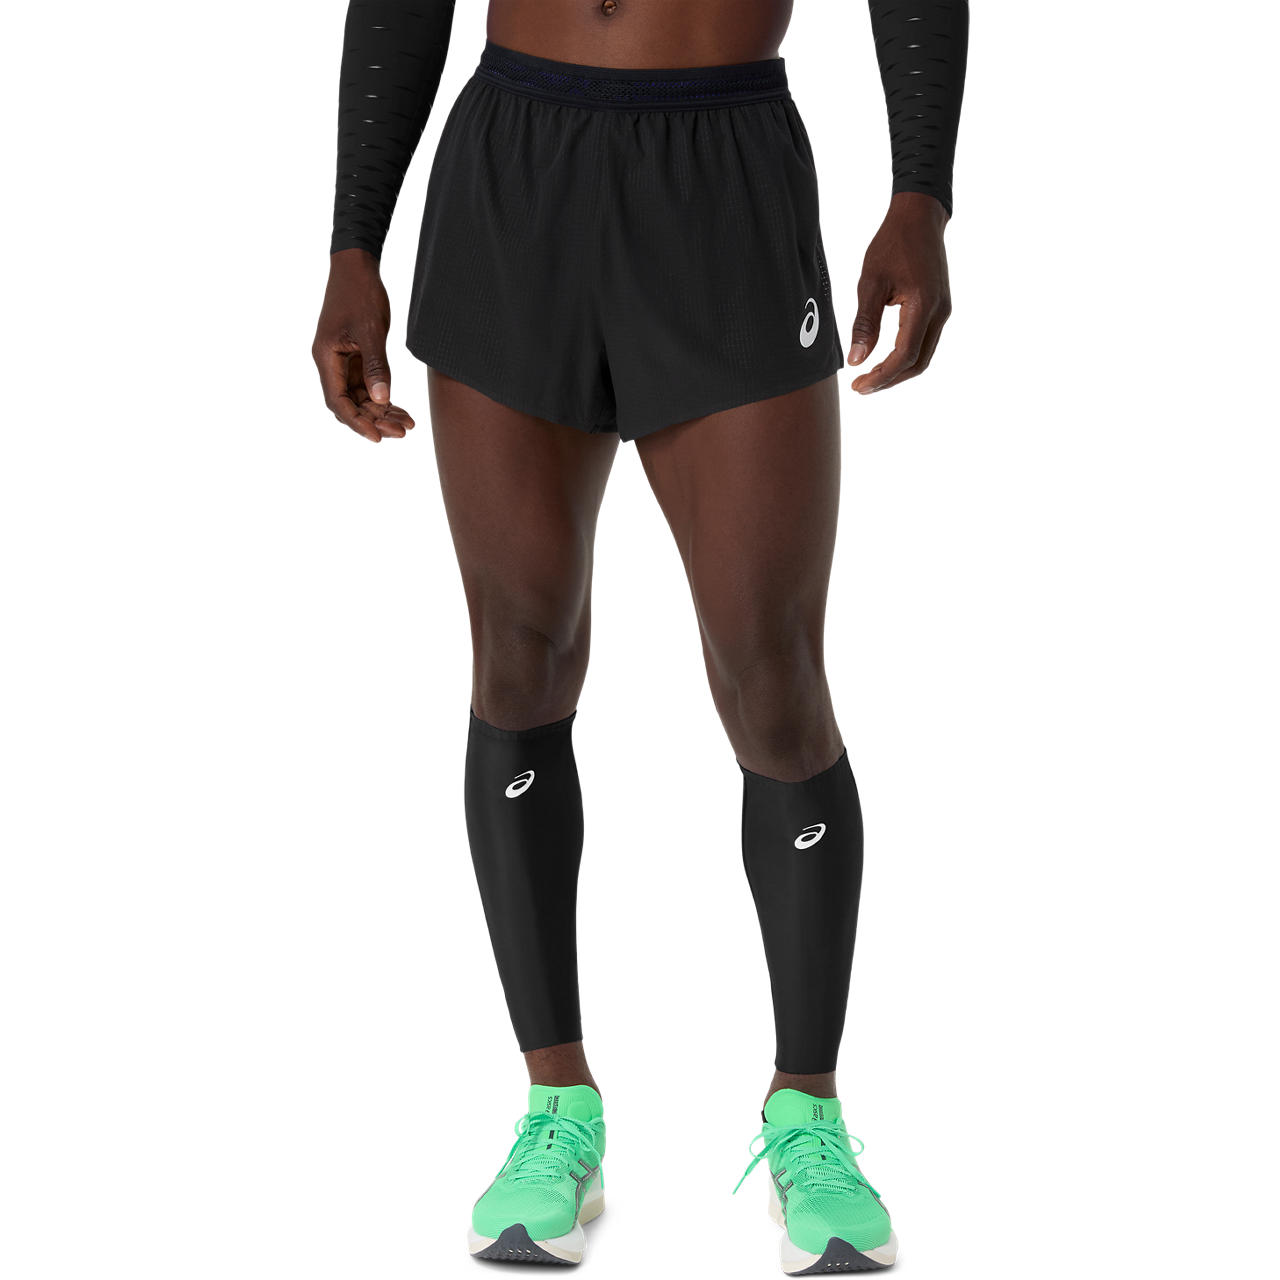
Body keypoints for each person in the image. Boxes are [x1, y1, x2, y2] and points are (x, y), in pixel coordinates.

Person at [312, 0, 966, 1270]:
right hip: (514, 169)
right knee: (519, 651)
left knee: (771, 675)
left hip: (720, 166)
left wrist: (921, 192)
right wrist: (353, 240)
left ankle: (806, 1115)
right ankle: (557, 1105)